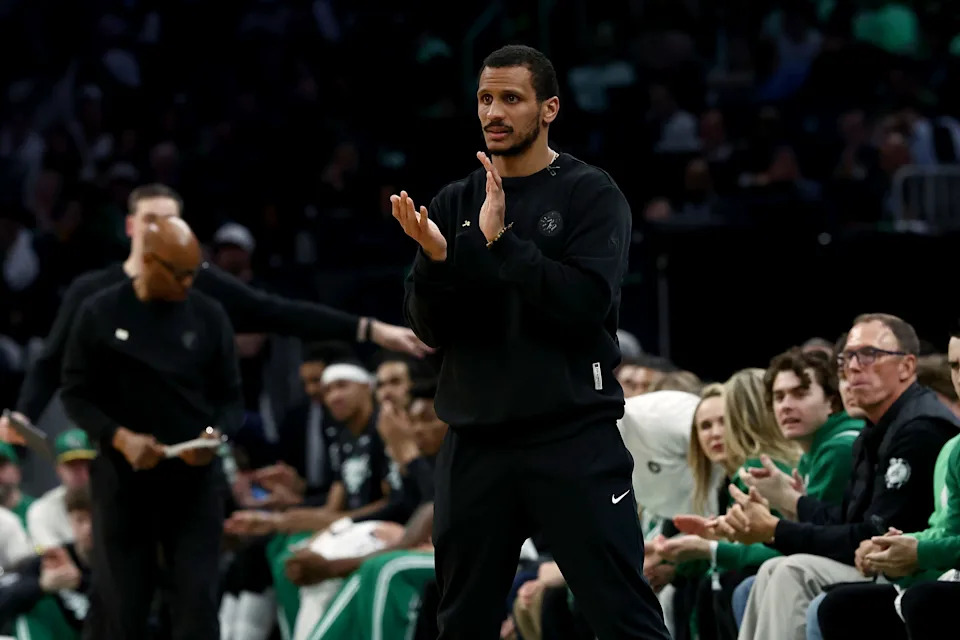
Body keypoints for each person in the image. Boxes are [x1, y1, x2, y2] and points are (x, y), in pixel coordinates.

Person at [392, 44, 669, 639]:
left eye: (511, 99)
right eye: (485, 99)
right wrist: (438, 261)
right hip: (475, 445)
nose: (494, 111)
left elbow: (585, 306)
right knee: (461, 623)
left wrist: (502, 245)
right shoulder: (453, 201)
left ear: (549, 109)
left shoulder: (591, 194)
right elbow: (429, 330)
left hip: (570, 436)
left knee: (624, 617)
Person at [1, 182, 429, 437]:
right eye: (150, 221)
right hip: (118, 453)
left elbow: (277, 312)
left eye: (171, 222)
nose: (160, 231)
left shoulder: (200, 282)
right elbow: (48, 363)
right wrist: (23, 417)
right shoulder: (92, 291)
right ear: (130, 226)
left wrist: (372, 330)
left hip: (191, 449)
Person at [60, 216, 244, 639]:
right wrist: (118, 437)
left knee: (197, 604)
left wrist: (215, 436)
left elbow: (233, 400)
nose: (186, 284)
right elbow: (74, 393)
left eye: (192, 274)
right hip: (124, 482)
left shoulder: (208, 315)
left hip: (194, 483)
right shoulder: (100, 312)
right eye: (178, 274)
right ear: (147, 260)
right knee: (122, 606)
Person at [0, 485, 94, 640]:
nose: (88, 528)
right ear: (69, 520)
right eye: (81, 519)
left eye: (94, 519)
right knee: (36, 604)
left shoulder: (122, 562)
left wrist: (80, 582)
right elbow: (5, 596)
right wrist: (41, 586)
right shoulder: (54, 558)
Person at [26, 428, 96, 549]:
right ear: (58, 469)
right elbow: (55, 558)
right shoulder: (42, 511)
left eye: (86, 463)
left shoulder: (117, 502)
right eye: (72, 465)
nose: (82, 472)